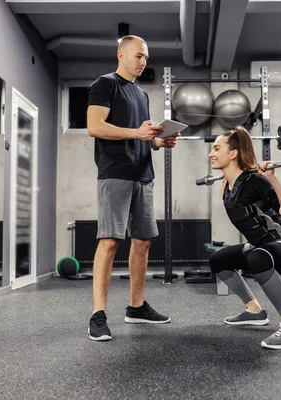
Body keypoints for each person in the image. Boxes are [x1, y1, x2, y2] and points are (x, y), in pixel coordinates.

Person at [86, 35, 180, 341]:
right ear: (121, 55)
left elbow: (142, 136)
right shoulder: (105, 84)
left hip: (143, 174)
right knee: (110, 242)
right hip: (115, 173)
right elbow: (95, 126)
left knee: (142, 242)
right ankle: (97, 315)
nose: (143, 62)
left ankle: (136, 307)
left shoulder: (141, 95)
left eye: (146, 58)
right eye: (139, 56)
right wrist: (137, 133)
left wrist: (158, 140)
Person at [208, 126, 281, 350]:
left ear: (233, 153)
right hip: (264, 246)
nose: (211, 153)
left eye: (217, 148)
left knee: (258, 257)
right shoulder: (228, 185)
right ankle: (254, 311)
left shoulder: (255, 181)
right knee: (218, 260)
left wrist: (271, 179)